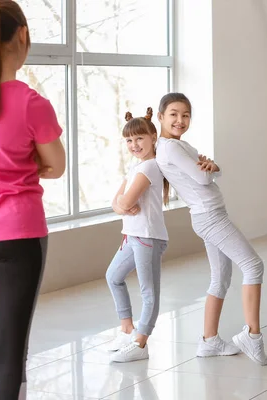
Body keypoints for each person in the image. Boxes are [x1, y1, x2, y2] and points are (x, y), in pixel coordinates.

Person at [0, 1, 66, 398]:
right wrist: (18, 168)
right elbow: (55, 166)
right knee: (9, 353)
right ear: (22, 35)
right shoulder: (31, 104)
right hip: (21, 233)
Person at [155, 93, 267, 365]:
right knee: (253, 265)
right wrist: (212, 168)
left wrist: (213, 167)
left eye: (185, 115)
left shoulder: (178, 146)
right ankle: (252, 337)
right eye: (173, 114)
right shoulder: (171, 148)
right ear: (161, 117)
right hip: (210, 216)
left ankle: (209, 341)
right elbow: (203, 177)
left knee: (221, 278)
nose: (180, 120)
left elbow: (210, 171)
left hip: (209, 214)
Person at [106, 108, 169, 363]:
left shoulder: (151, 167)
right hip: (132, 236)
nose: (134, 144)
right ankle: (127, 329)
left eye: (139, 138)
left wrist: (124, 204)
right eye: (129, 141)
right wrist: (123, 205)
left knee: (149, 292)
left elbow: (127, 200)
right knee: (113, 277)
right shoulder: (136, 168)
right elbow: (116, 203)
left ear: (153, 136)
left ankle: (141, 344)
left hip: (148, 237)